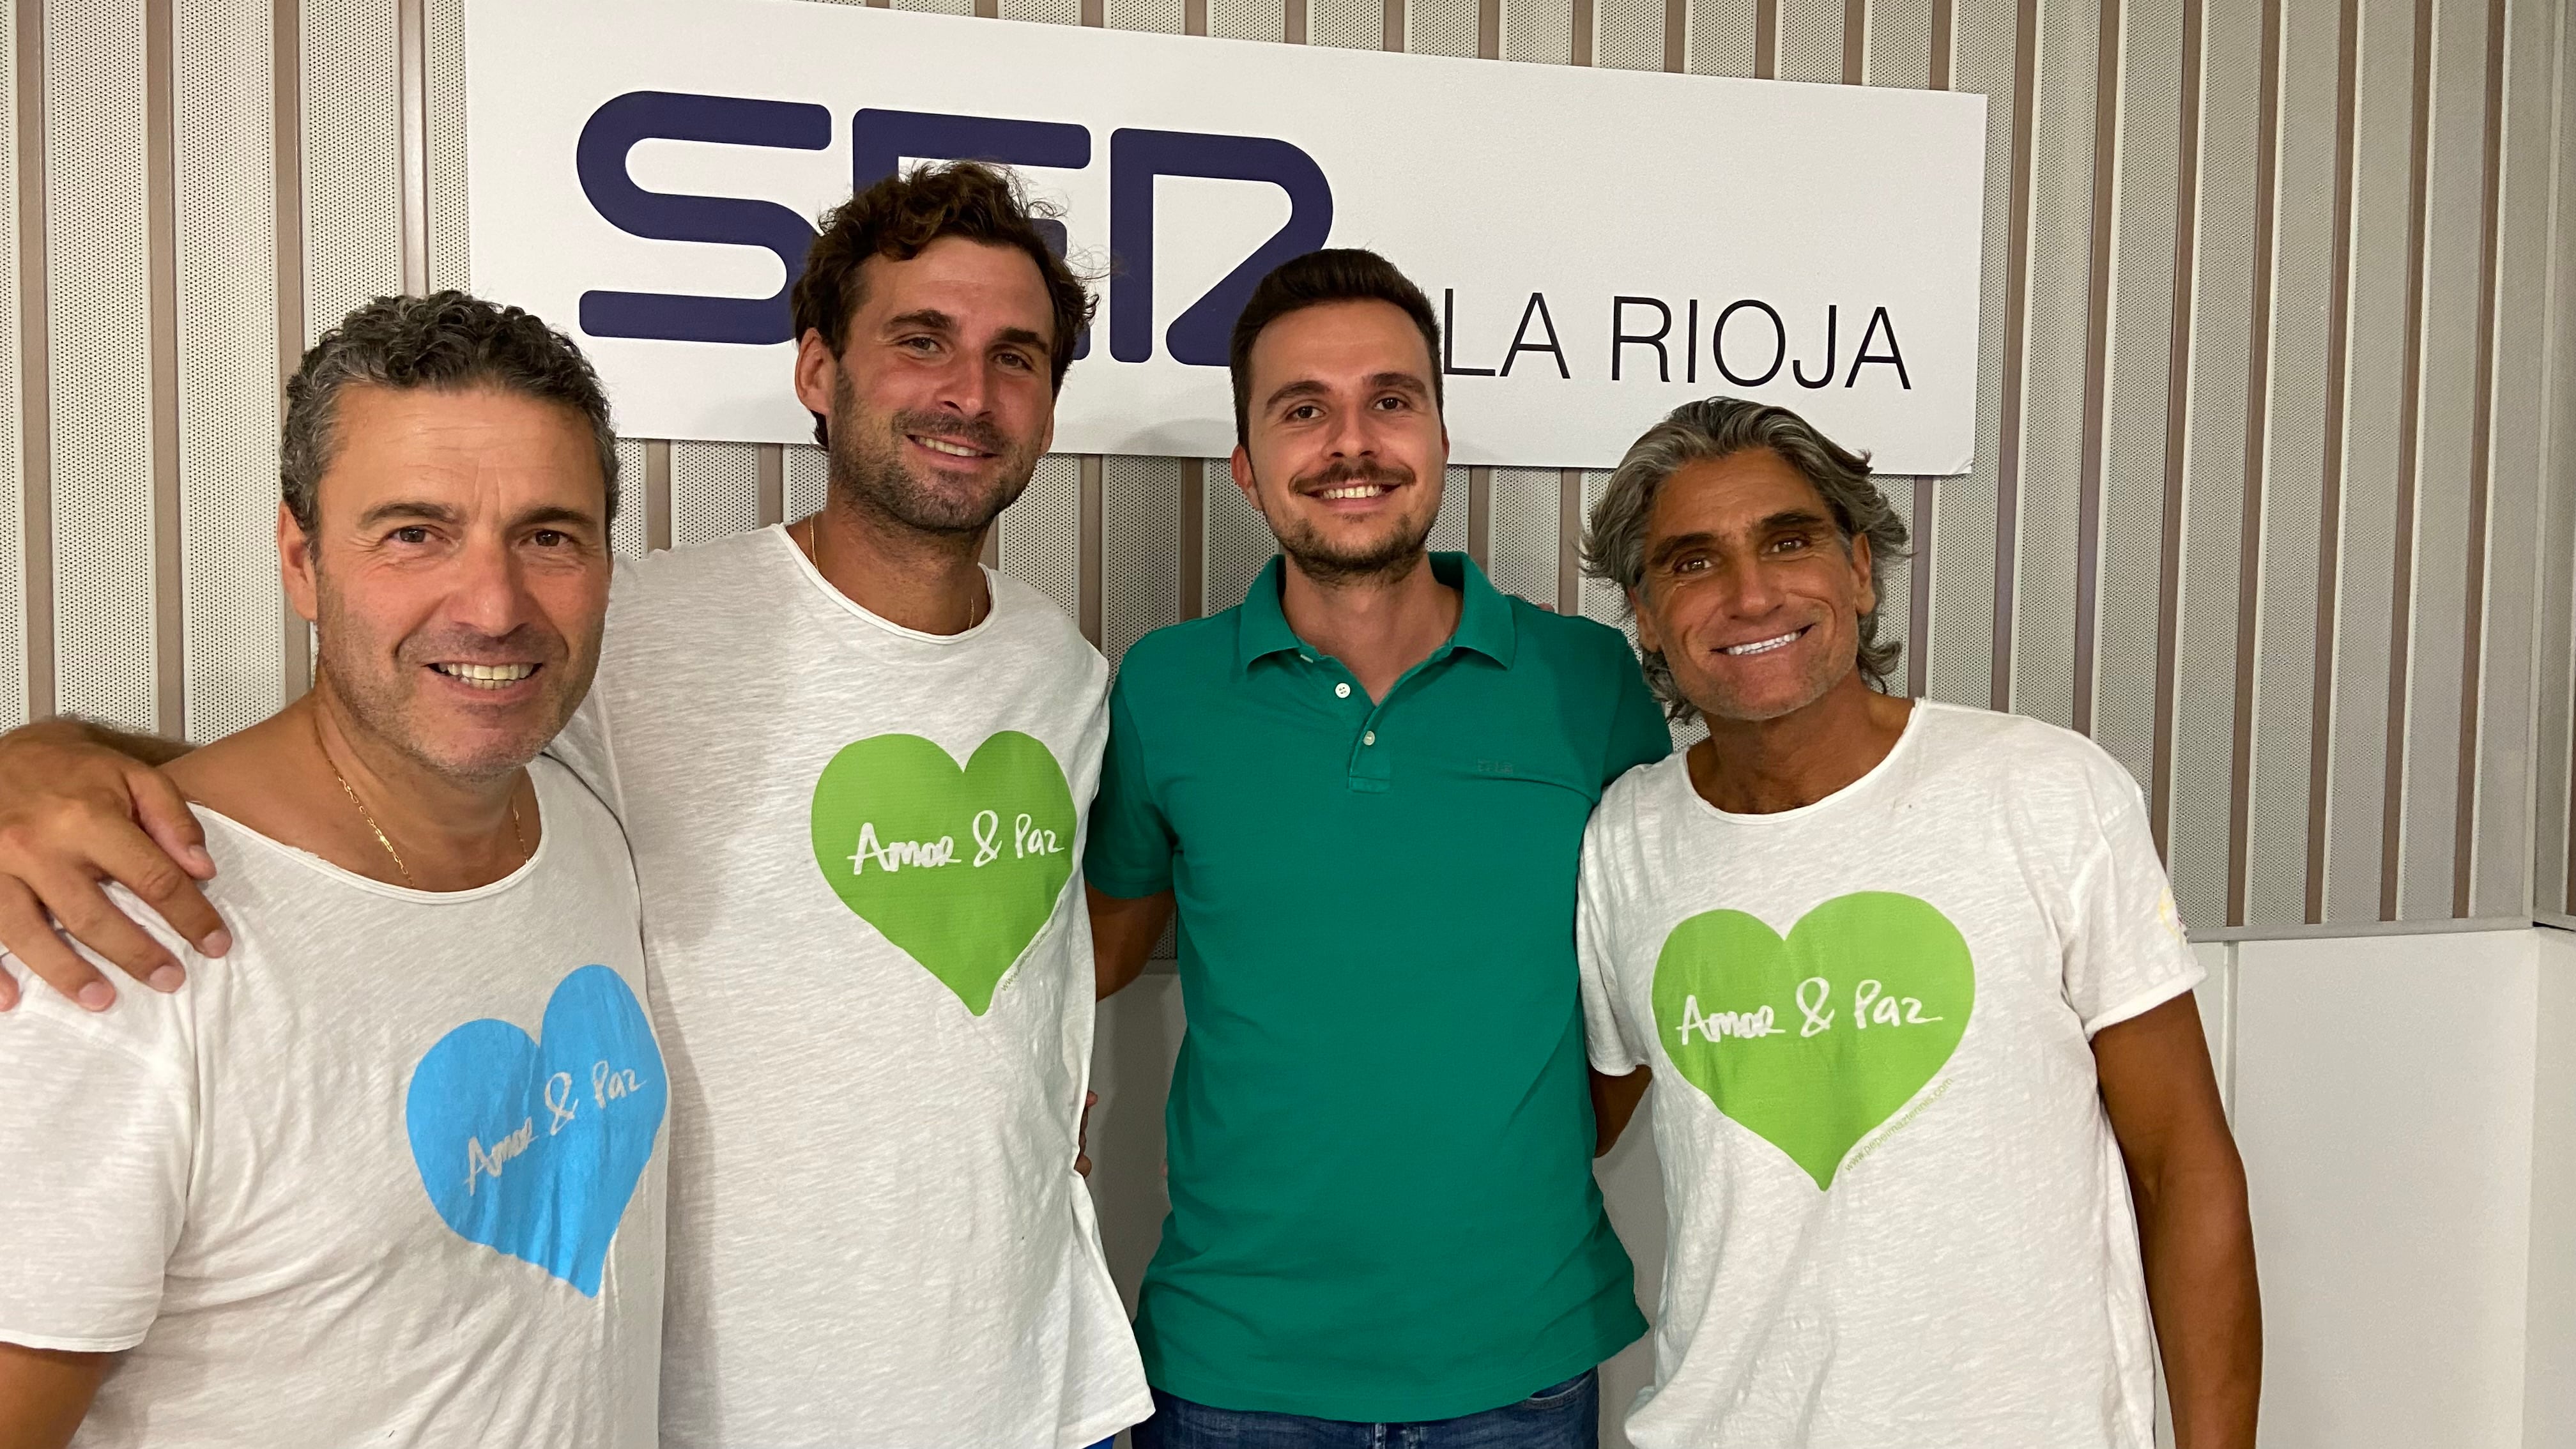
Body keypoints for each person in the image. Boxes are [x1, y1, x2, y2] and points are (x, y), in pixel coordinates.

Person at [0, 164, 1146, 1449]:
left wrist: (1022, 1095)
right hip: (753, 1410)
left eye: (1017, 357)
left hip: (1050, 1390)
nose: (968, 394)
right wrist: (39, 762)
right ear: (819, 372)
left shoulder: (1067, 668)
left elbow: (1078, 930)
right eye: (920, 341)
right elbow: (384, 757)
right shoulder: (623, 631)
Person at [0, 293, 663, 1448]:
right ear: (302, 560)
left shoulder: (588, 827)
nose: (495, 605)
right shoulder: (114, 939)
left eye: (550, 536)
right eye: (415, 532)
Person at [1572, 397, 2262, 1448]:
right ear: (1646, 611)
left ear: (1859, 566)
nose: (1751, 593)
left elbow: (2182, 1162)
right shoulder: (1626, 838)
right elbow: (1566, 1124)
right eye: (1694, 562)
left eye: (1788, 541)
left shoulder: (2042, 790)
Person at [1088, 249, 1669, 1449]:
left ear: (1443, 439)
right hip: (1231, 1368)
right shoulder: (1165, 688)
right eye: (1305, 410)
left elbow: (1653, 963)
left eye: (1391, 401)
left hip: (1517, 1363)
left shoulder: (1586, 682)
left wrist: (1516, 1154)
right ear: (1250, 467)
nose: (1353, 444)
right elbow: (1088, 962)